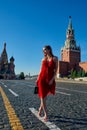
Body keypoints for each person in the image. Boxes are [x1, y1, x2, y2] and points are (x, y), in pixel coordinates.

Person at [36, 45, 58, 121]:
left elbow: (56, 71)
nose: (44, 51)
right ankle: (46, 114)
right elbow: (40, 70)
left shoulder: (55, 58)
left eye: (45, 50)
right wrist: (38, 78)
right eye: (43, 50)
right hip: (42, 79)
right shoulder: (43, 59)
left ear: (49, 49)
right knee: (43, 97)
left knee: (44, 97)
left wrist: (52, 79)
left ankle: (39, 109)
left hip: (49, 80)